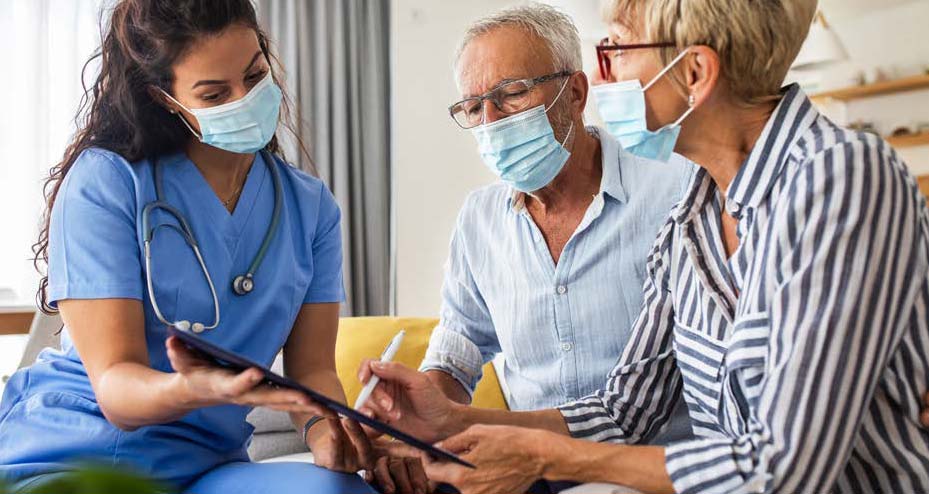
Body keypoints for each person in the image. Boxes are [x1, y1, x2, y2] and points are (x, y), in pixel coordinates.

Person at [360, 0, 929, 492]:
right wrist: (446, 422)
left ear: (695, 73)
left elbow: (783, 471)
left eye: (617, 53)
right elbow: (625, 409)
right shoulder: (696, 209)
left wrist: (541, 457)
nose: (602, 80)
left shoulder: (842, 176)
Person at [0, 1, 379, 492]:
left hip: (207, 465)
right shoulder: (106, 183)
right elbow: (116, 387)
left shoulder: (311, 207)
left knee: (340, 491)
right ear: (166, 100)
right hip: (75, 450)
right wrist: (192, 389)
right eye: (215, 93)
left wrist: (329, 432)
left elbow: (313, 371)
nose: (245, 99)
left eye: (255, 76)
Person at [418, 0, 694, 435]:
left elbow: (635, 408)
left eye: (511, 94)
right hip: (526, 469)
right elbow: (457, 351)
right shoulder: (479, 220)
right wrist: (419, 412)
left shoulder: (674, 188)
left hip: (645, 470)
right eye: (473, 108)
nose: (491, 123)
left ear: (577, 93)